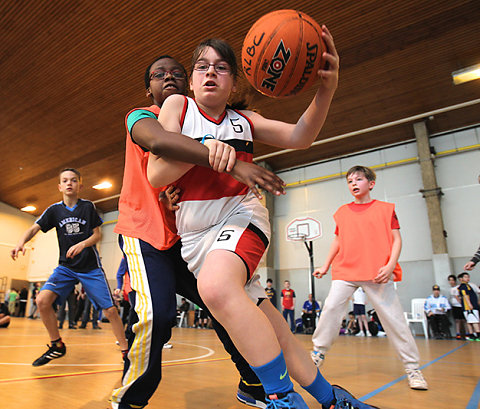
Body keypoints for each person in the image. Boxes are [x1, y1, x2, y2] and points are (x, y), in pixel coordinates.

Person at [148, 34, 377, 409]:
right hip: (195, 236)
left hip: (241, 216)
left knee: (216, 288)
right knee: (276, 332)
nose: (210, 74)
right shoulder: (177, 106)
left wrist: (327, 89)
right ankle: (332, 399)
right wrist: (205, 152)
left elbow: (301, 137)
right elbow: (156, 175)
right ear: (190, 81)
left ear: (233, 83)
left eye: (221, 68)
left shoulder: (244, 121)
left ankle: (281, 397)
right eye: (202, 67)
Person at [110, 53, 287, 409]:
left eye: (177, 72)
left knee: (224, 300)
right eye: (159, 75)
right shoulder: (143, 117)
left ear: (188, 84)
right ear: (149, 90)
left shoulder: (195, 122)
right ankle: (129, 400)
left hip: (185, 236)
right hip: (144, 232)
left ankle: (252, 382)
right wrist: (230, 162)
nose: (169, 77)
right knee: (156, 316)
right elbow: (159, 142)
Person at [310, 165, 428, 390]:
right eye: (349, 181)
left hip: (378, 272)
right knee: (331, 308)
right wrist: (325, 265)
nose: (353, 184)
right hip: (345, 270)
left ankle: (413, 368)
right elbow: (338, 240)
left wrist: (390, 265)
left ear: (371, 184)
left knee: (394, 320)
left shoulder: (386, 209)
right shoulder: (342, 212)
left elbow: (397, 240)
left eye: (358, 180)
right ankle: (318, 353)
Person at [10, 168, 128, 366]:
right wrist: (20, 242)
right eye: (65, 181)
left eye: (73, 180)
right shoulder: (54, 210)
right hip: (66, 267)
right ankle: (57, 345)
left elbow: (97, 235)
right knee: (42, 300)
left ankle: (126, 351)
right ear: (59, 186)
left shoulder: (88, 207)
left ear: (80, 185)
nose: (69, 183)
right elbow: (34, 228)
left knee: (110, 311)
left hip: (90, 267)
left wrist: (82, 244)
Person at [456, 272, 480, 340]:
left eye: (468, 277)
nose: (468, 278)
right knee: (474, 321)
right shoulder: (463, 286)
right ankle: (478, 335)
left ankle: (471, 335)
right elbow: (465, 295)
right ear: (461, 279)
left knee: (470, 321)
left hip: (469, 306)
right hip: (469, 307)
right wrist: (470, 304)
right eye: (466, 277)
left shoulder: (468, 285)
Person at [448, 274, 467, 339]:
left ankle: (467, 333)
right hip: (454, 306)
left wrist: (461, 303)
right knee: (457, 320)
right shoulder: (450, 289)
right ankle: (458, 333)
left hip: (461, 305)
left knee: (464, 320)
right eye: (450, 280)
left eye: (452, 280)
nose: (451, 282)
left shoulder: (458, 287)